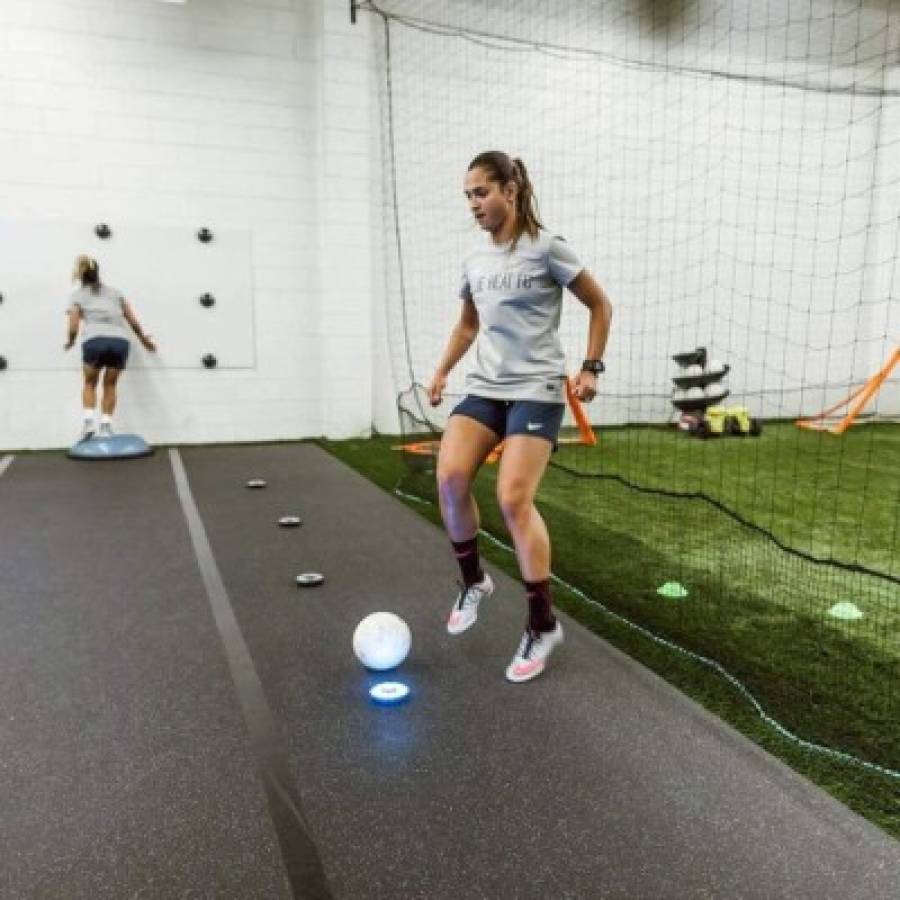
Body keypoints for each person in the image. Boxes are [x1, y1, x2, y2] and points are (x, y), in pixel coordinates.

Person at [428, 151, 613, 683]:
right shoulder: (475, 260)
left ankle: (542, 622)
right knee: (450, 475)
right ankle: (473, 581)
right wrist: (443, 371)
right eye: (467, 195)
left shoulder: (547, 249)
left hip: (537, 390)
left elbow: (600, 304)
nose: (474, 204)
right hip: (486, 387)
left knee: (512, 498)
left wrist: (591, 367)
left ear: (510, 189)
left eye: (481, 192)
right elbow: (468, 326)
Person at [64, 255, 156, 441]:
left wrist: (71, 341)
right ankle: (106, 426)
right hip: (119, 342)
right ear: (98, 273)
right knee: (110, 384)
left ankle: (89, 423)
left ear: (81, 275)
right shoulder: (116, 293)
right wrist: (144, 340)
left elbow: (73, 326)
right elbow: (132, 321)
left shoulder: (77, 296)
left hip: (94, 341)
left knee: (90, 383)